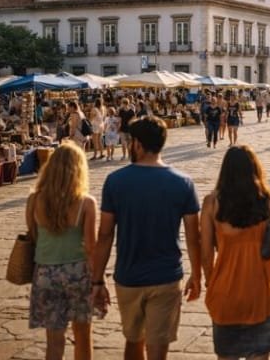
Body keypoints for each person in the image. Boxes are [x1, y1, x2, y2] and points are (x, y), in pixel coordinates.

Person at [92, 116, 202, 360]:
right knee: (158, 349)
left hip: (128, 277)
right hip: (166, 277)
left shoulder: (115, 181)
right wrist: (197, 274)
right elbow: (194, 237)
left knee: (133, 341)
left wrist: (97, 280)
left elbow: (105, 235)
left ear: (138, 144)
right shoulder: (183, 183)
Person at [201, 146, 270, 360]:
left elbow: (205, 254)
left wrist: (211, 280)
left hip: (225, 292)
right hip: (261, 293)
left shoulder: (212, 203)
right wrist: (266, 267)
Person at [26, 142, 97, 360]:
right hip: (78, 272)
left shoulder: (34, 200)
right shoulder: (86, 203)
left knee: (54, 342)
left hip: (45, 273)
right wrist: (98, 280)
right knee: (83, 336)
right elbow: (91, 246)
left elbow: (33, 236)